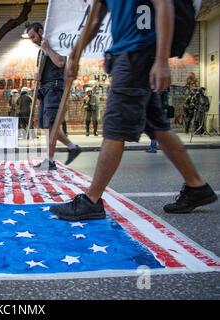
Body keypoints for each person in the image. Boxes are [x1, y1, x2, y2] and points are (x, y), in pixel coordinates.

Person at [51, 0, 217, 220]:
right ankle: (197, 186)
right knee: (157, 127)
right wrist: (75, 55)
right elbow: (94, 21)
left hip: (135, 55)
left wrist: (161, 60)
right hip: (130, 55)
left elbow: (164, 5)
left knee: (115, 127)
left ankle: (91, 200)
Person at [27, 22, 82, 171]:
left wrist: (47, 48)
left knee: (51, 125)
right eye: (30, 38)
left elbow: (59, 62)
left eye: (33, 36)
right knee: (47, 127)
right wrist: (38, 77)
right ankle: (62, 153)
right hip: (45, 90)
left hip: (54, 89)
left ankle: (61, 154)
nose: (33, 40)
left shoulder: (56, 45)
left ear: (40, 31)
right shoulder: (40, 52)